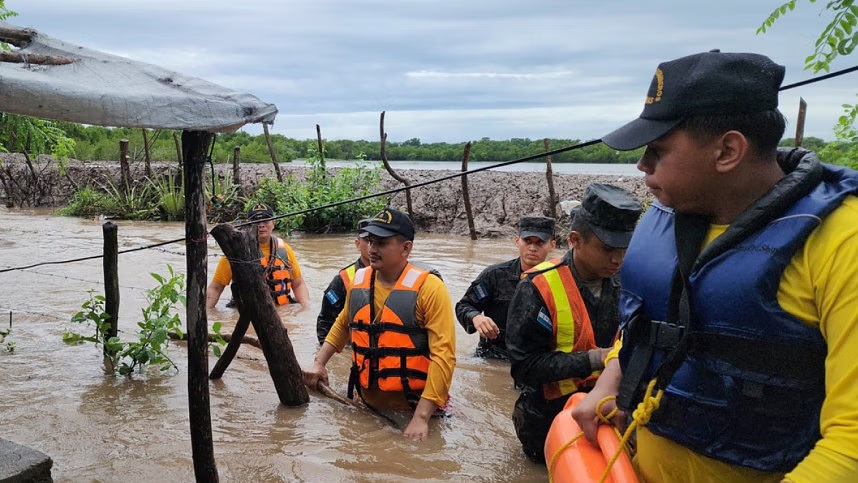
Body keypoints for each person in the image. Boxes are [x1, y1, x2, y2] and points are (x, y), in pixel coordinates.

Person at [571, 50, 858, 483]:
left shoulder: (842, 242)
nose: (641, 165)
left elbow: (850, 445)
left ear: (727, 150)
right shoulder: (664, 213)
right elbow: (645, 324)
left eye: (658, 149)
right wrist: (609, 379)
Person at [505, 183, 643, 462]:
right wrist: (597, 359)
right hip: (547, 420)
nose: (617, 259)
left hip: (611, 413)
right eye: (607, 249)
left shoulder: (632, 280)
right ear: (575, 240)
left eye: (624, 248)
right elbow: (524, 368)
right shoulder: (537, 286)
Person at [303, 207, 456, 441]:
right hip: (365, 404)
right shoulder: (359, 280)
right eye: (371, 241)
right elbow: (343, 324)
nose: (372, 249)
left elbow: (443, 356)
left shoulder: (430, 289)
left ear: (406, 248)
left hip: (416, 410)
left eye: (382, 243)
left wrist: (422, 418)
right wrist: (319, 363)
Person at [455, 216, 557, 360]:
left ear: (552, 245)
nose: (532, 248)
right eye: (527, 241)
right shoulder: (494, 275)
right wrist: (475, 317)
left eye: (540, 243)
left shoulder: (559, 281)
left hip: (536, 360)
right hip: (491, 355)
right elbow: (464, 306)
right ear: (517, 241)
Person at [206, 203, 309, 309]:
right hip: (249, 315)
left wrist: (306, 308)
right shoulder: (235, 253)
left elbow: (298, 284)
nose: (261, 225)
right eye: (256, 221)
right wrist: (207, 313)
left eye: (266, 220)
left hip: (283, 311)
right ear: (247, 225)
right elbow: (216, 288)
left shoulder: (285, 250)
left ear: (274, 223)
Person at [315, 218, 372, 345]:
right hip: (353, 348)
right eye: (368, 241)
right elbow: (325, 323)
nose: (372, 246)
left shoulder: (393, 274)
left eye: (379, 241)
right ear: (357, 244)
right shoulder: (343, 279)